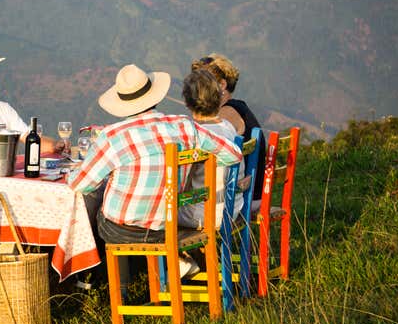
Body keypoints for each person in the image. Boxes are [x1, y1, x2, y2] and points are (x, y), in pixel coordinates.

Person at [68, 64, 242, 288]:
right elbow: (232, 154)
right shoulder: (183, 126)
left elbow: (80, 184)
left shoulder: (112, 136)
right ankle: (138, 281)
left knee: (98, 208)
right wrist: (196, 160)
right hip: (167, 225)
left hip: (124, 231)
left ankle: (107, 285)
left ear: (122, 104)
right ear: (155, 96)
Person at [191, 53, 266, 200]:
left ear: (222, 85)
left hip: (242, 197)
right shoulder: (239, 107)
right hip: (251, 193)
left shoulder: (225, 115)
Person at [179, 68, 244, 228]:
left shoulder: (195, 136)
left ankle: (172, 252)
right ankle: (194, 253)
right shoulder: (228, 127)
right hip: (233, 208)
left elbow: (183, 182)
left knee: (158, 212)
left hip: (204, 214)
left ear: (188, 103)